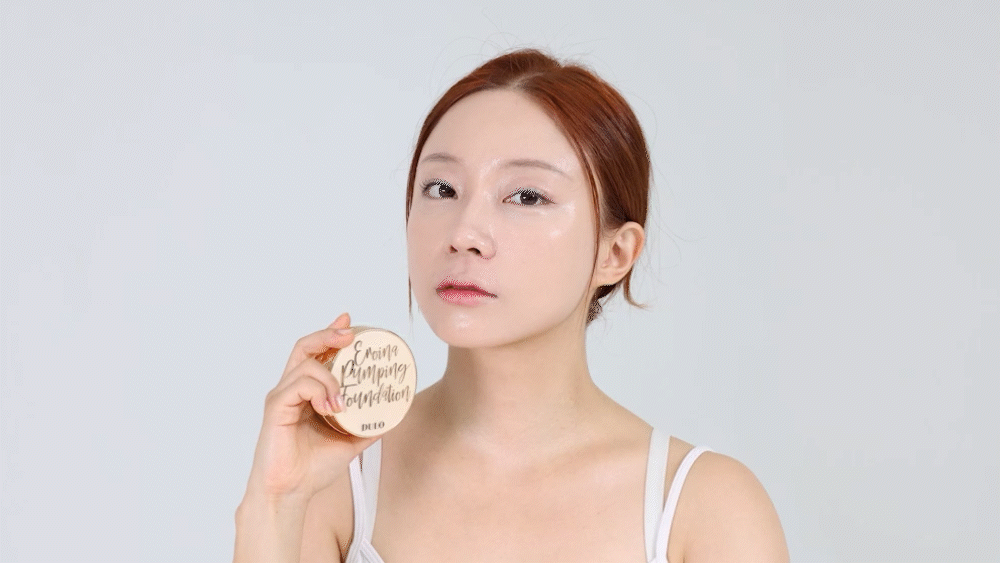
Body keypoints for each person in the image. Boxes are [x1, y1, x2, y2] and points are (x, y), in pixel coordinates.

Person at [234, 48, 789, 563]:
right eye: (442, 189)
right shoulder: (338, 478)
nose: (464, 233)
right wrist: (275, 502)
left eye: (526, 196)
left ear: (615, 253)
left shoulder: (705, 509)